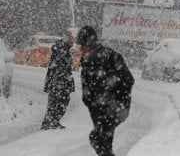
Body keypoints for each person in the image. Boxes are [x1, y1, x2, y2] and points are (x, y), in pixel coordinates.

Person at [77, 26, 134, 156]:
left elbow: (128, 79)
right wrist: (89, 100)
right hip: (97, 106)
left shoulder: (110, 56)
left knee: (100, 139)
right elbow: (86, 83)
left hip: (113, 106)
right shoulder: (87, 60)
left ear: (89, 43)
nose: (80, 48)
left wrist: (113, 97)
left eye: (82, 45)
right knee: (101, 141)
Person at [41, 28, 76, 130]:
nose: (72, 41)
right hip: (59, 81)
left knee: (57, 101)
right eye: (71, 38)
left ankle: (51, 122)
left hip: (57, 81)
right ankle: (50, 122)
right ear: (67, 38)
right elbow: (61, 65)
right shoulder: (62, 48)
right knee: (59, 101)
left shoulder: (62, 47)